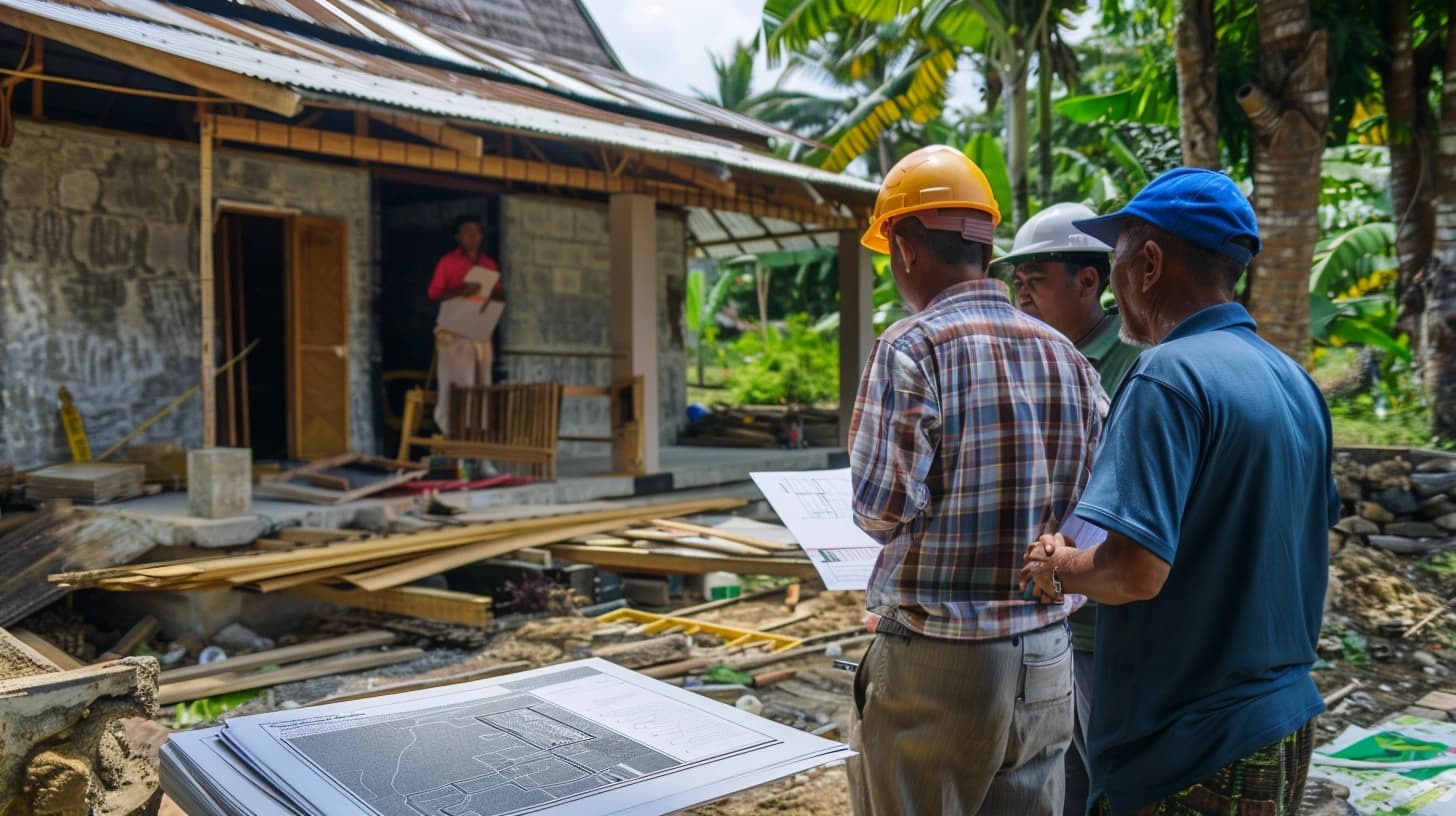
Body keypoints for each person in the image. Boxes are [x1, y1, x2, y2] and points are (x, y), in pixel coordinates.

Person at [1019, 168, 1340, 816]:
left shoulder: (1165, 375)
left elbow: (1134, 572)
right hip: (1282, 722)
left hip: (1189, 746)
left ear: (1149, 263)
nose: (1114, 285)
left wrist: (1058, 567)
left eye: (1115, 261)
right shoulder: (1293, 380)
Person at [847, 144, 1108, 816]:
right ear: (987, 246)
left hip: (940, 660)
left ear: (905, 248)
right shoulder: (1069, 357)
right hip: (1046, 658)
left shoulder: (911, 347)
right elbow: (1094, 508)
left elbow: (881, 509)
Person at [994, 201, 1143, 815]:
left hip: (1101, 613)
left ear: (1088, 281)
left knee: (1102, 769)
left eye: (1036, 281)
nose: (1022, 296)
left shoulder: (1134, 364)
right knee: (1058, 774)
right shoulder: (1024, 358)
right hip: (1036, 606)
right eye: (1017, 283)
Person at [427, 214, 504, 432]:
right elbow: (434, 294)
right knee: (457, 382)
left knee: (481, 381)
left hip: (479, 329)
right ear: (458, 236)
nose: (473, 236)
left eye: (477, 232)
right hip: (454, 331)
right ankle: (453, 429)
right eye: (467, 232)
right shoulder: (448, 262)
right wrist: (462, 291)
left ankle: (478, 431)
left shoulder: (489, 264)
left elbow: (499, 295)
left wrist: (491, 295)